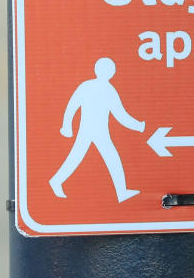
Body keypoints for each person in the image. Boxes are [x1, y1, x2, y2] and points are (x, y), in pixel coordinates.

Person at [49, 57, 146, 202]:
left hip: (96, 131)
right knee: (98, 157)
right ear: (111, 72)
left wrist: (67, 125)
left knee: (87, 157)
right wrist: (139, 126)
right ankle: (56, 181)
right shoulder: (106, 89)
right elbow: (120, 115)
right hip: (94, 131)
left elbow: (72, 106)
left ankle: (121, 191)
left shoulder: (88, 86)